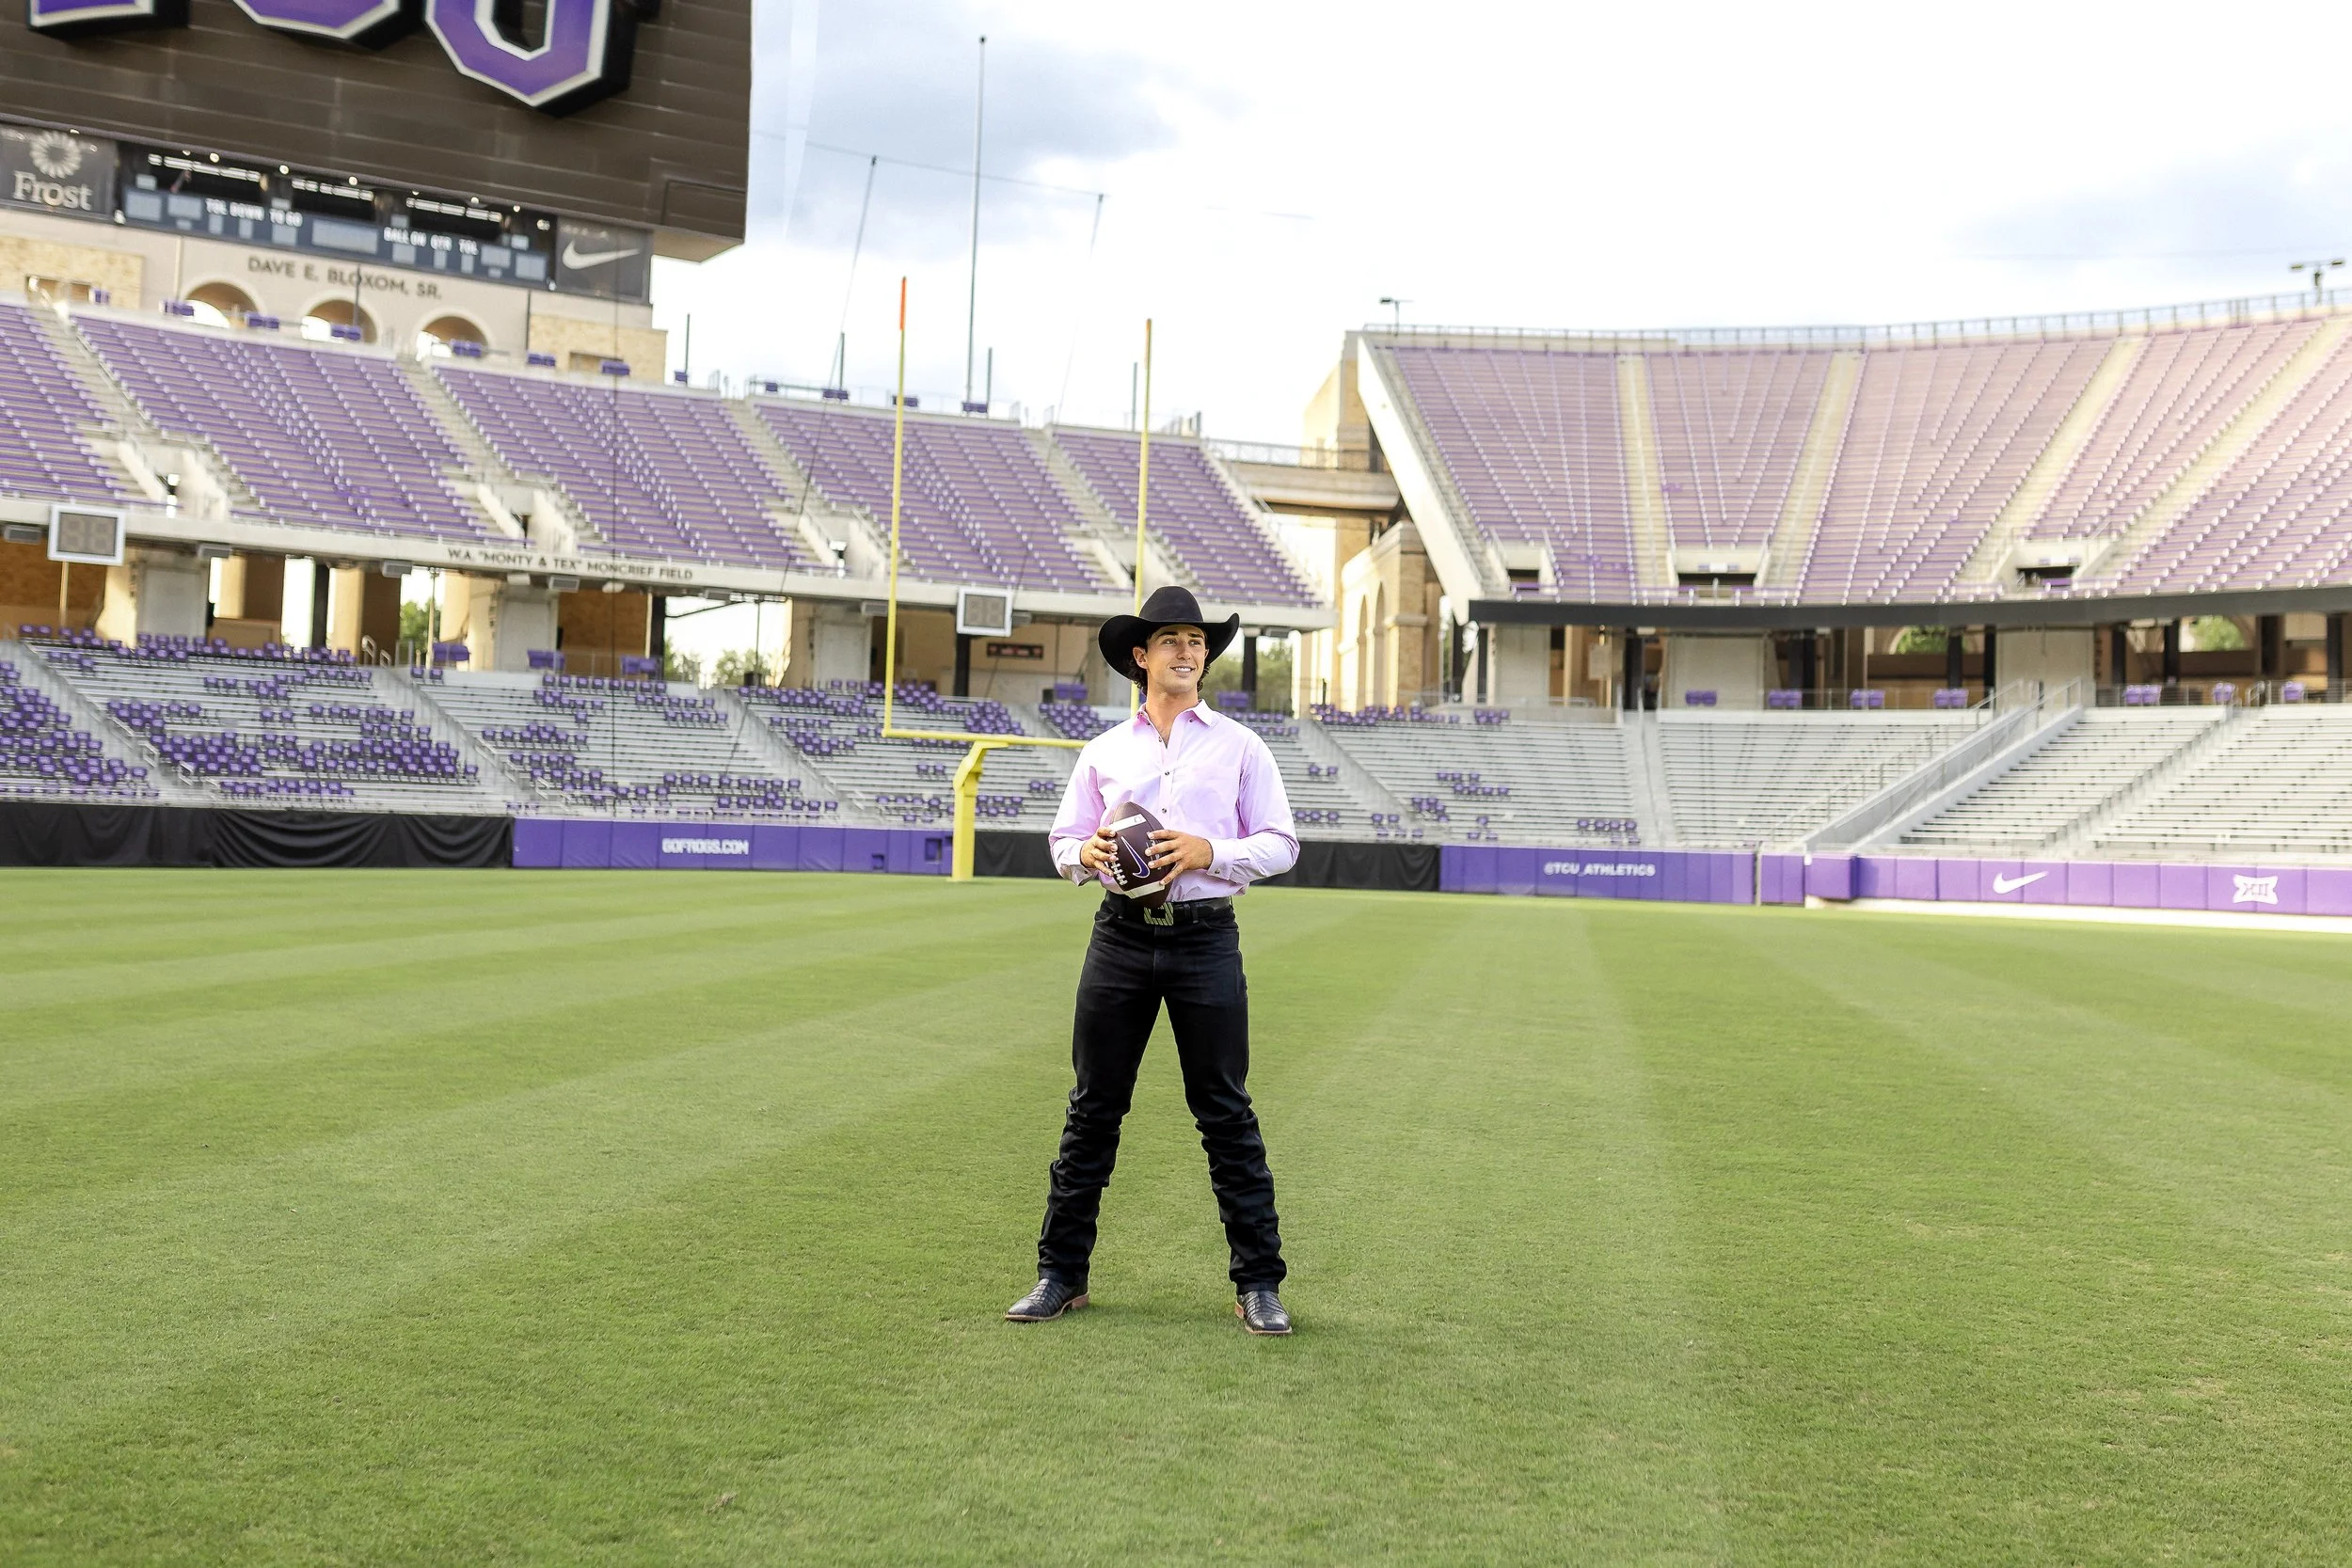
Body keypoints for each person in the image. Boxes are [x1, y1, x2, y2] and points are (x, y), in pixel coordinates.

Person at [1006, 586, 1301, 1335]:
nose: (1187, 650)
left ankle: (1259, 1282)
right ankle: (1059, 1274)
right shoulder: (1105, 751)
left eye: (1196, 640)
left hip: (1205, 933)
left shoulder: (1240, 745)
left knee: (1225, 1111)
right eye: (1171, 639)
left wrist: (1212, 850)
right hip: (1122, 935)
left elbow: (1282, 842)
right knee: (1092, 1109)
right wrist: (1088, 852)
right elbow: (1062, 840)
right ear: (1141, 656)